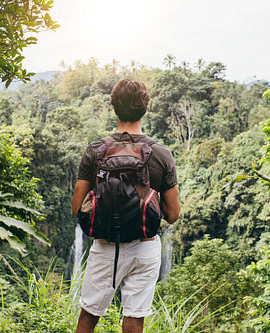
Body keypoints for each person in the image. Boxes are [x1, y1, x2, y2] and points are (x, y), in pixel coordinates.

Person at [71, 78, 180, 333]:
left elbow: (78, 206)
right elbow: (173, 215)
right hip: (144, 248)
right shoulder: (161, 154)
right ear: (145, 107)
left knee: (88, 315)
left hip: (105, 246)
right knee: (134, 318)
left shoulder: (95, 150)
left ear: (114, 107)